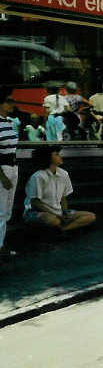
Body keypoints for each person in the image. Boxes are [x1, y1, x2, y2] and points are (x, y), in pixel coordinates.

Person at [23, 146, 96, 237]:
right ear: (48, 158)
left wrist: (64, 212)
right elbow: (35, 203)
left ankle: (64, 229)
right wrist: (57, 215)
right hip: (37, 212)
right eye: (56, 155)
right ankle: (65, 228)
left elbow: (63, 198)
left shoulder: (63, 174)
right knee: (53, 220)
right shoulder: (38, 176)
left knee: (90, 216)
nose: (60, 157)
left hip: (59, 211)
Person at [0, 87, 18, 258]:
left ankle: (2, 243)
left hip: (13, 166)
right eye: (8, 101)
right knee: (0, 208)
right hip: (3, 168)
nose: (12, 104)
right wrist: (2, 176)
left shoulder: (9, 122)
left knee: (7, 209)